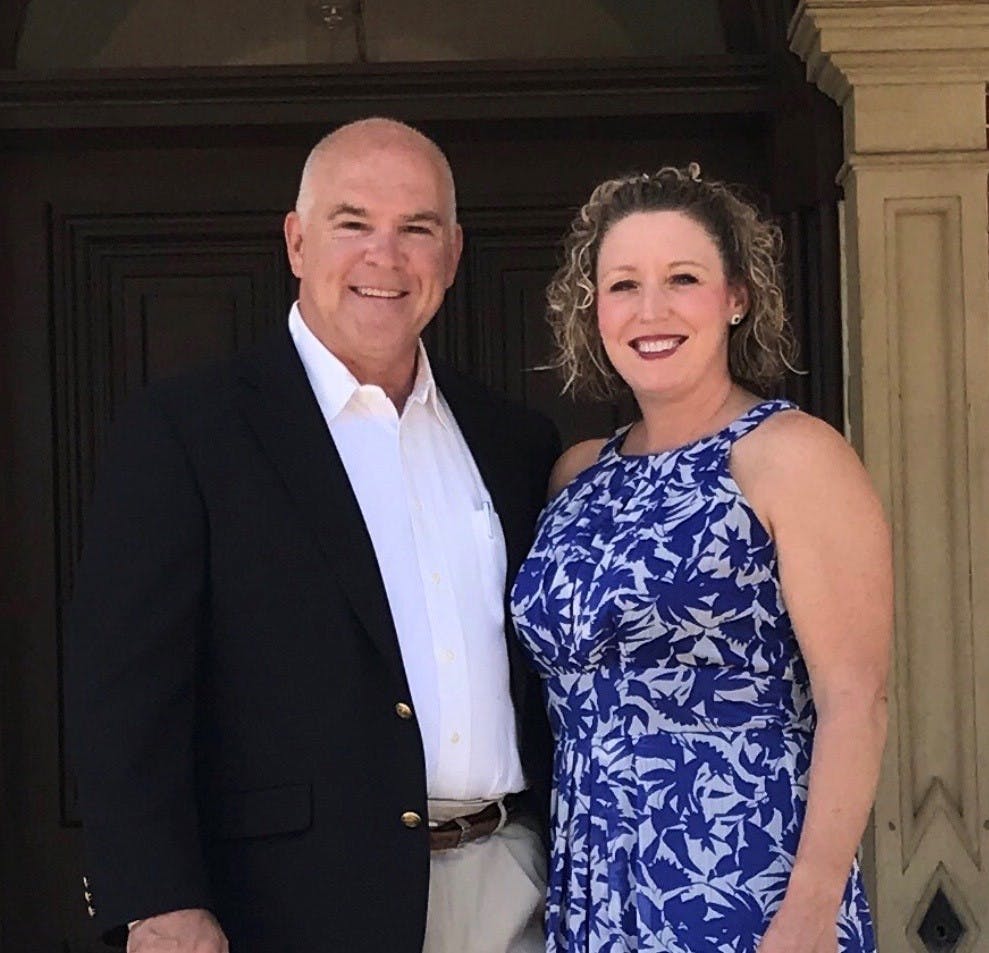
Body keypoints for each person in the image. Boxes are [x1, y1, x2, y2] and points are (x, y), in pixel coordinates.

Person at [65, 117, 560, 953]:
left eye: (416, 228)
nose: (385, 256)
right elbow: (123, 689)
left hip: (516, 883)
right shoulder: (189, 429)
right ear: (296, 242)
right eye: (352, 223)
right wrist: (155, 898)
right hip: (293, 902)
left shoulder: (514, 442)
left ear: (453, 252)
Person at [510, 166, 891, 953]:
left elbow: (855, 699)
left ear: (736, 296)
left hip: (743, 879)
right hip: (592, 886)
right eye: (622, 285)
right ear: (594, 309)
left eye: (682, 278)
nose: (650, 311)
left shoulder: (788, 456)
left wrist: (810, 911)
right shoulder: (577, 475)